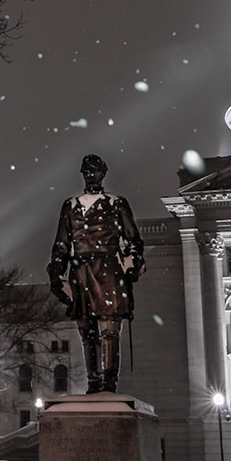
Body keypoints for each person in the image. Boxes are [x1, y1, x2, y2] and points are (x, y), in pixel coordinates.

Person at [47, 154, 143, 393]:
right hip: (81, 272)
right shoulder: (70, 205)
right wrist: (57, 270)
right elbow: (61, 243)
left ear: (103, 174)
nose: (91, 176)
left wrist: (131, 262)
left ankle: (109, 383)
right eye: (87, 172)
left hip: (109, 271)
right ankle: (93, 382)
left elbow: (133, 240)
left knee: (109, 331)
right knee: (86, 332)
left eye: (95, 172)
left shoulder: (117, 203)